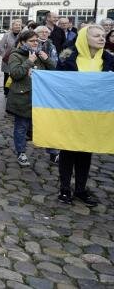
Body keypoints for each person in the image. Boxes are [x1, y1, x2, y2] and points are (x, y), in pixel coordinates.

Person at [56, 25, 113, 206]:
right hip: (71, 113)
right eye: (97, 35)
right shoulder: (67, 59)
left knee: (85, 152)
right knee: (68, 150)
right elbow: (58, 84)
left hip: (94, 115)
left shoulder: (109, 60)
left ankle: (81, 189)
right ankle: (64, 188)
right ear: (83, 38)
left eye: (103, 36)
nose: (102, 38)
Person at [6, 30, 57, 166]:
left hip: (42, 97)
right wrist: (29, 61)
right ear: (23, 42)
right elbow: (16, 74)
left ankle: (53, 152)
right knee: (21, 126)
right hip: (23, 97)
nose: (35, 43)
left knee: (46, 125)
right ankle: (21, 152)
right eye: (32, 41)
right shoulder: (15, 55)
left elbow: (55, 71)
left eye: (36, 41)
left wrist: (47, 59)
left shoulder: (40, 54)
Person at [0, 18, 22, 96]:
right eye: (16, 25)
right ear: (12, 26)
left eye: (19, 25)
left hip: (18, 58)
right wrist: (5, 55)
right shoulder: (7, 35)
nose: (17, 26)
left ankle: (15, 90)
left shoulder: (23, 35)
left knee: (17, 74)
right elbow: (1, 46)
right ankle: (6, 91)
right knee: (7, 75)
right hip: (7, 59)